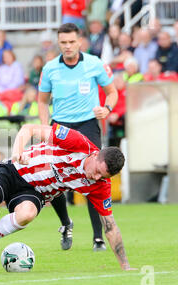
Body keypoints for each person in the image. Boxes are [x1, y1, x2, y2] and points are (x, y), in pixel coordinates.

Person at [0, 122, 135, 274]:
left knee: (27, 214)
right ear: (95, 155)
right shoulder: (78, 142)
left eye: (102, 177)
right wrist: (18, 151)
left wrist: (125, 266)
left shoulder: (100, 186)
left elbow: (110, 226)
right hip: (13, 170)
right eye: (97, 171)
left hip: (36, 192)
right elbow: (28, 129)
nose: (96, 178)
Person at [38, 23, 118, 252]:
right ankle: (65, 223)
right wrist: (45, 128)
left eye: (72, 42)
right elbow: (42, 101)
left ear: (80, 41)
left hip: (87, 125)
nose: (68, 46)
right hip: (60, 126)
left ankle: (97, 238)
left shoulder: (95, 64)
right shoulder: (50, 68)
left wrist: (107, 109)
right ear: (58, 43)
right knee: (51, 179)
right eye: (63, 42)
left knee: (95, 179)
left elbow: (112, 92)